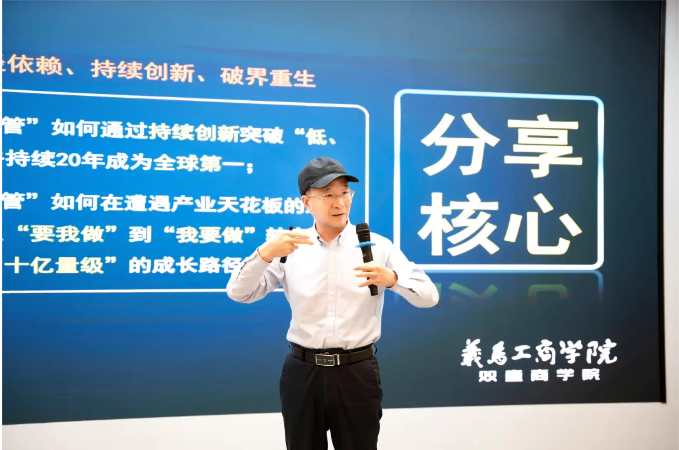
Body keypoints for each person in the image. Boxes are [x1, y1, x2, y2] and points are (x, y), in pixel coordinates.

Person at [226, 156, 439, 450]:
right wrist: (264, 253)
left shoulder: (376, 246)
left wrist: (392, 279)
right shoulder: (289, 248)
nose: (339, 203)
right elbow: (239, 293)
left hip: (356, 373)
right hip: (302, 373)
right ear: (306, 202)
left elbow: (429, 296)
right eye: (328, 195)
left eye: (344, 193)